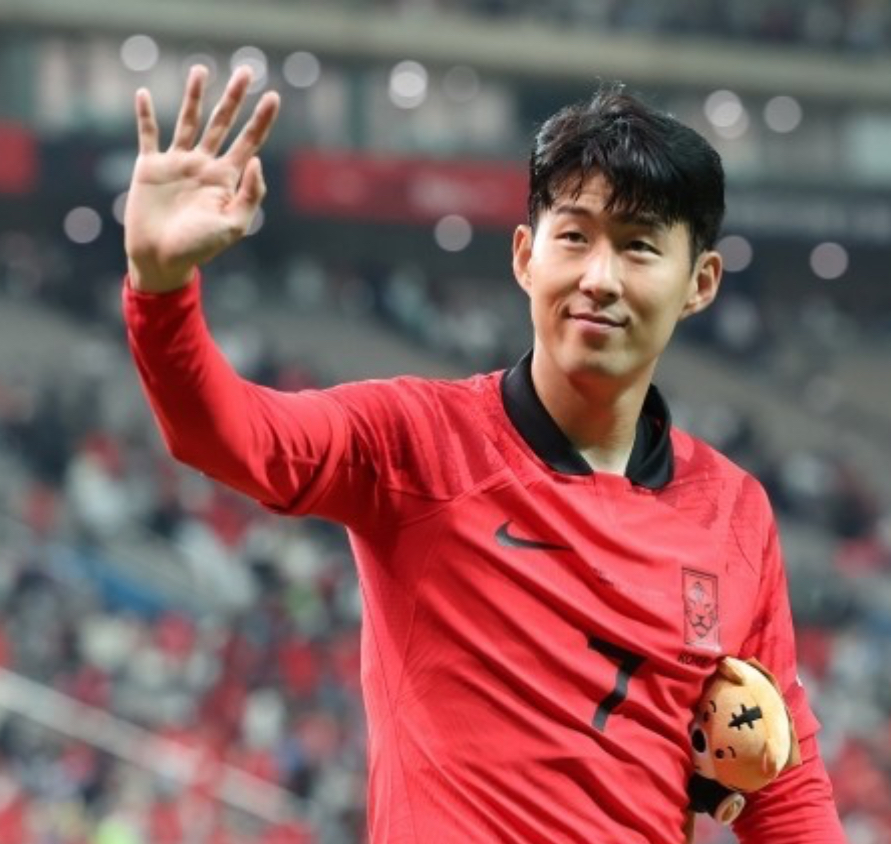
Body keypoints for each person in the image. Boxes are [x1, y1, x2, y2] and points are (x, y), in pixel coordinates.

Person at [122, 65, 846, 843]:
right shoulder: (415, 441)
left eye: (638, 247)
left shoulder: (733, 511)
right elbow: (230, 435)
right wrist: (160, 288)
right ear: (525, 256)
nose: (598, 278)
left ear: (699, 282)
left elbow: (784, 787)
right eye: (574, 237)